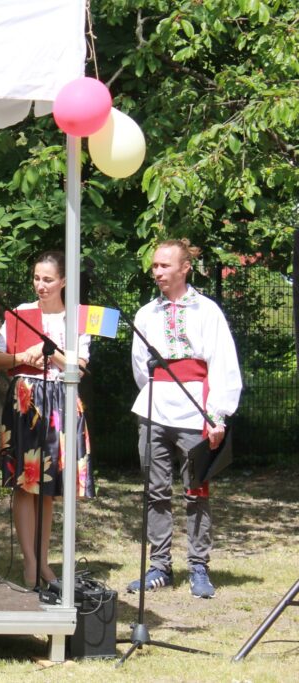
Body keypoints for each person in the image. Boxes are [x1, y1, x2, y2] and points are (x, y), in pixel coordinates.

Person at [127, 239, 241, 599]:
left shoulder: (207, 311)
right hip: (154, 409)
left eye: (165, 265)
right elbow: (141, 367)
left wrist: (217, 414)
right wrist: (156, 396)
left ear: (185, 268)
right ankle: (159, 566)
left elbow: (222, 362)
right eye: (155, 266)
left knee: (196, 490)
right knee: (155, 490)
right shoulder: (146, 313)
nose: (158, 272)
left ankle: (198, 566)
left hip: (196, 408)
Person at [0, 250, 94, 590]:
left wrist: (50, 350)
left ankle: (44, 561)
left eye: (48, 279)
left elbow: (81, 367)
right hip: (26, 399)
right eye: (36, 278)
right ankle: (30, 563)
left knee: (47, 487)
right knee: (26, 482)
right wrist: (22, 356)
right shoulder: (21, 313)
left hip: (60, 399)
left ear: (63, 281)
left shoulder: (78, 317)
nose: (41, 285)